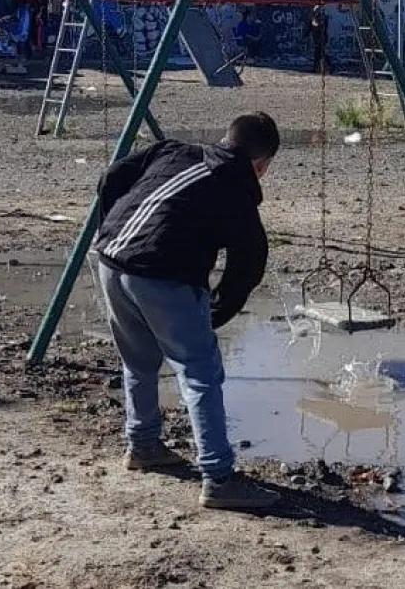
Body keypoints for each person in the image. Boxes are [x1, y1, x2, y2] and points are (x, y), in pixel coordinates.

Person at [94, 112, 281, 511]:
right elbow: (248, 266)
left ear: (227, 137)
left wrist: (110, 230)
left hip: (110, 260)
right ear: (261, 163)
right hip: (162, 274)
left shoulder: (173, 150)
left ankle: (143, 444)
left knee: (138, 360)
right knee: (199, 372)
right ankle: (219, 479)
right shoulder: (236, 189)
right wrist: (216, 313)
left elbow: (111, 177)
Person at [310, 5, 331, 74]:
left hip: (321, 38)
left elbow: (317, 25)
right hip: (318, 38)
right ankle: (318, 68)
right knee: (318, 54)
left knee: (322, 54)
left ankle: (324, 68)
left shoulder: (322, 18)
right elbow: (313, 26)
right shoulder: (316, 18)